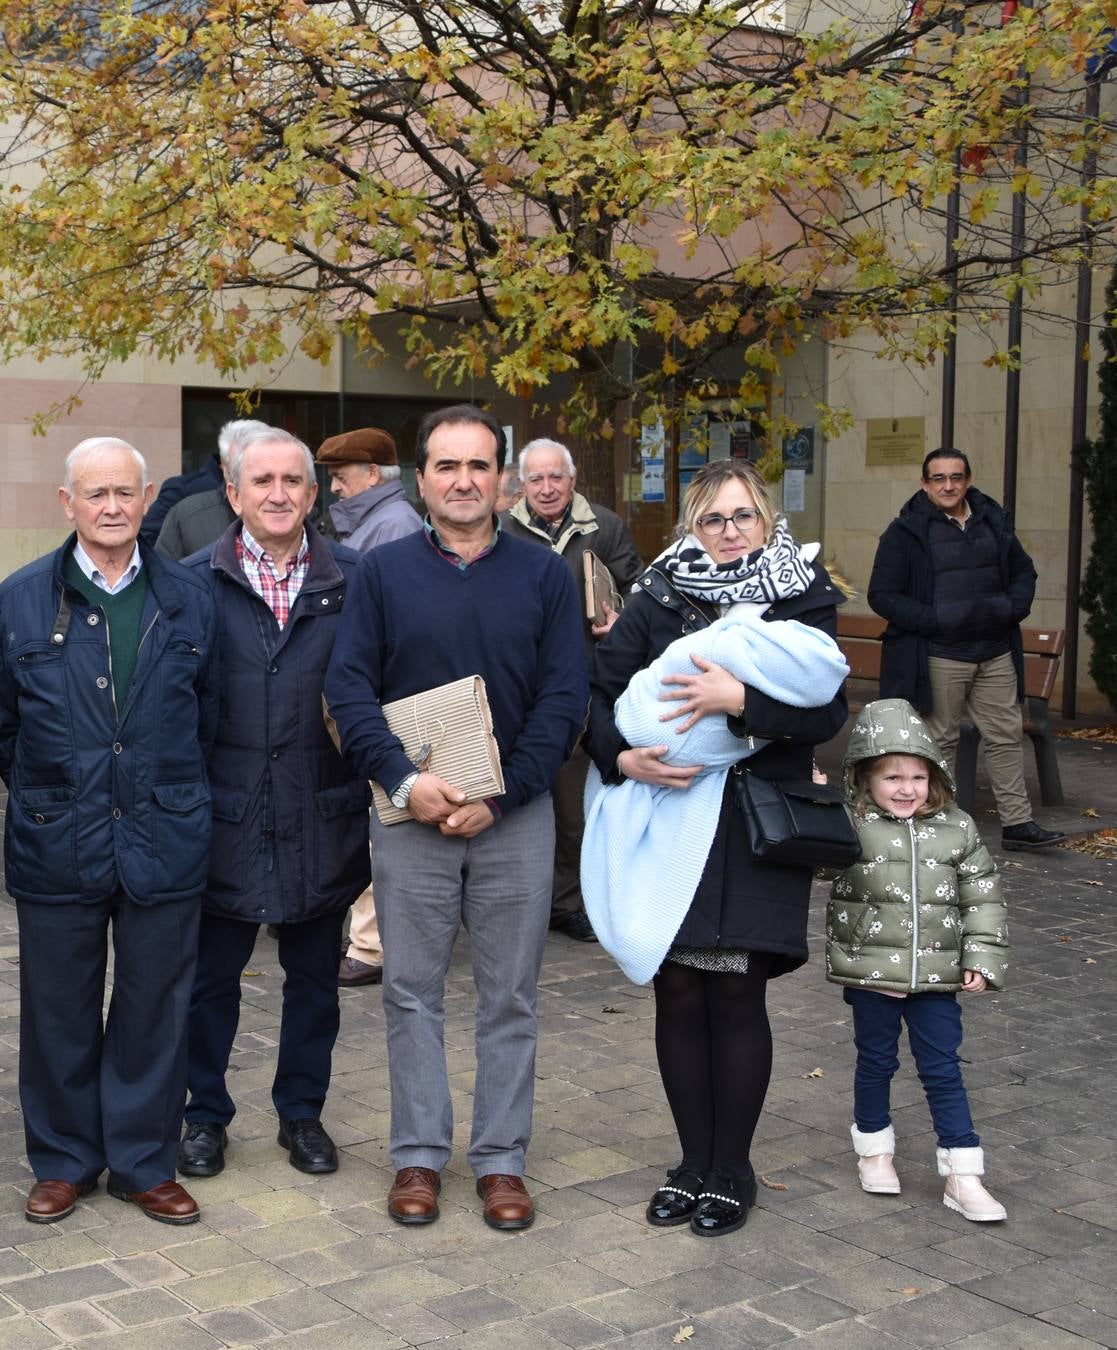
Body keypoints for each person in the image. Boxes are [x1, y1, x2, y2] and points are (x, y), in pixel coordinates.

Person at [324, 403, 587, 1232]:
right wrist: (405, 782)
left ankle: (502, 1161)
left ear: (502, 480)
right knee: (408, 991)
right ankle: (417, 1156)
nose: (463, 481)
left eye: (478, 466)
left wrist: (498, 794)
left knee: (509, 996)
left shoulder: (544, 575)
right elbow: (347, 690)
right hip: (411, 818)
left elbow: (564, 699)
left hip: (514, 818)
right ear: (422, 480)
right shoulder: (382, 573)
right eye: (447, 466)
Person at [585, 459, 848, 1238]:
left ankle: (730, 1169)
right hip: (666, 818)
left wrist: (741, 704)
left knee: (735, 991)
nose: (728, 532)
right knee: (677, 992)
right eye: (712, 519)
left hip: (751, 820)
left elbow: (828, 709)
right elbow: (595, 692)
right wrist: (621, 757)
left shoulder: (801, 590)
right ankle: (689, 1163)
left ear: (766, 521)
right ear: (690, 529)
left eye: (742, 517)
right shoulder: (659, 595)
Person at [0, 436, 218, 1226]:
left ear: (148, 498)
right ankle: (63, 1161)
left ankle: (143, 1162)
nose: (112, 508)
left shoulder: (191, 596)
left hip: (165, 832)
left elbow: (209, 719)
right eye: (95, 495)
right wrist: (56, 792)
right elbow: (1, 724)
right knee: (57, 1008)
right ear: (67, 504)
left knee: (155, 1006)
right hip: (59, 834)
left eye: (125, 493)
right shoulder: (18, 600)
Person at [175, 427, 366, 1182]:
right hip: (221, 817)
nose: (278, 494)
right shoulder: (192, 581)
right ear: (233, 493)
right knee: (208, 983)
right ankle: (202, 1116)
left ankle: (301, 1113)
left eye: (293, 481)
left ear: (313, 495)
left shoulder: (355, 579)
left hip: (322, 812)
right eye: (262, 482)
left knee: (314, 985)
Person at [829, 700, 1008, 1222]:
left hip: (937, 976)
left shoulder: (957, 828)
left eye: (918, 776)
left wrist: (980, 957)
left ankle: (963, 1174)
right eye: (892, 777)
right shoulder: (849, 822)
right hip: (872, 976)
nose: (907, 788)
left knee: (942, 1069)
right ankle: (875, 1152)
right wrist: (817, 800)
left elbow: (983, 895)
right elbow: (811, 860)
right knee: (876, 1062)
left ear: (936, 777)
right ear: (865, 777)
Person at [867, 447, 1061, 851]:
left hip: (994, 650)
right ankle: (938, 825)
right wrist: (932, 619)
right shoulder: (905, 532)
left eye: (956, 477)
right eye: (938, 478)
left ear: (967, 480)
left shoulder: (993, 521)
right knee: (941, 741)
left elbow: (1023, 570)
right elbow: (882, 595)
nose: (948, 485)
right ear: (925, 484)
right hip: (940, 654)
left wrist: (1011, 608)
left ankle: (1018, 825)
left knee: (1006, 736)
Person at [504, 438, 641, 945]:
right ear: (522, 483)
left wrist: (620, 618)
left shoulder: (604, 526)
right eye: (535, 479)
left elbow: (637, 588)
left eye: (554, 477)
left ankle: (569, 902)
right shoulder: (502, 528)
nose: (545, 488)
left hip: (590, 679)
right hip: (523, 685)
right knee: (527, 797)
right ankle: (529, 899)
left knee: (575, 806)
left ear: (572, 479)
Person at [314, 427, 421, 989]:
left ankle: (372, 945)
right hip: (365, 687)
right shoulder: (371, 521)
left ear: (373, 476)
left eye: (342, 477)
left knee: (381, 813)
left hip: (379, 694)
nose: (334, 489)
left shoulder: (393, 524)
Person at [154, 421, 270, 561]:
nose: (246, 471)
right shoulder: (186, 514)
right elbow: (164, 574)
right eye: (238, 463)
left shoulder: (292, 512)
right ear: (222, 463)